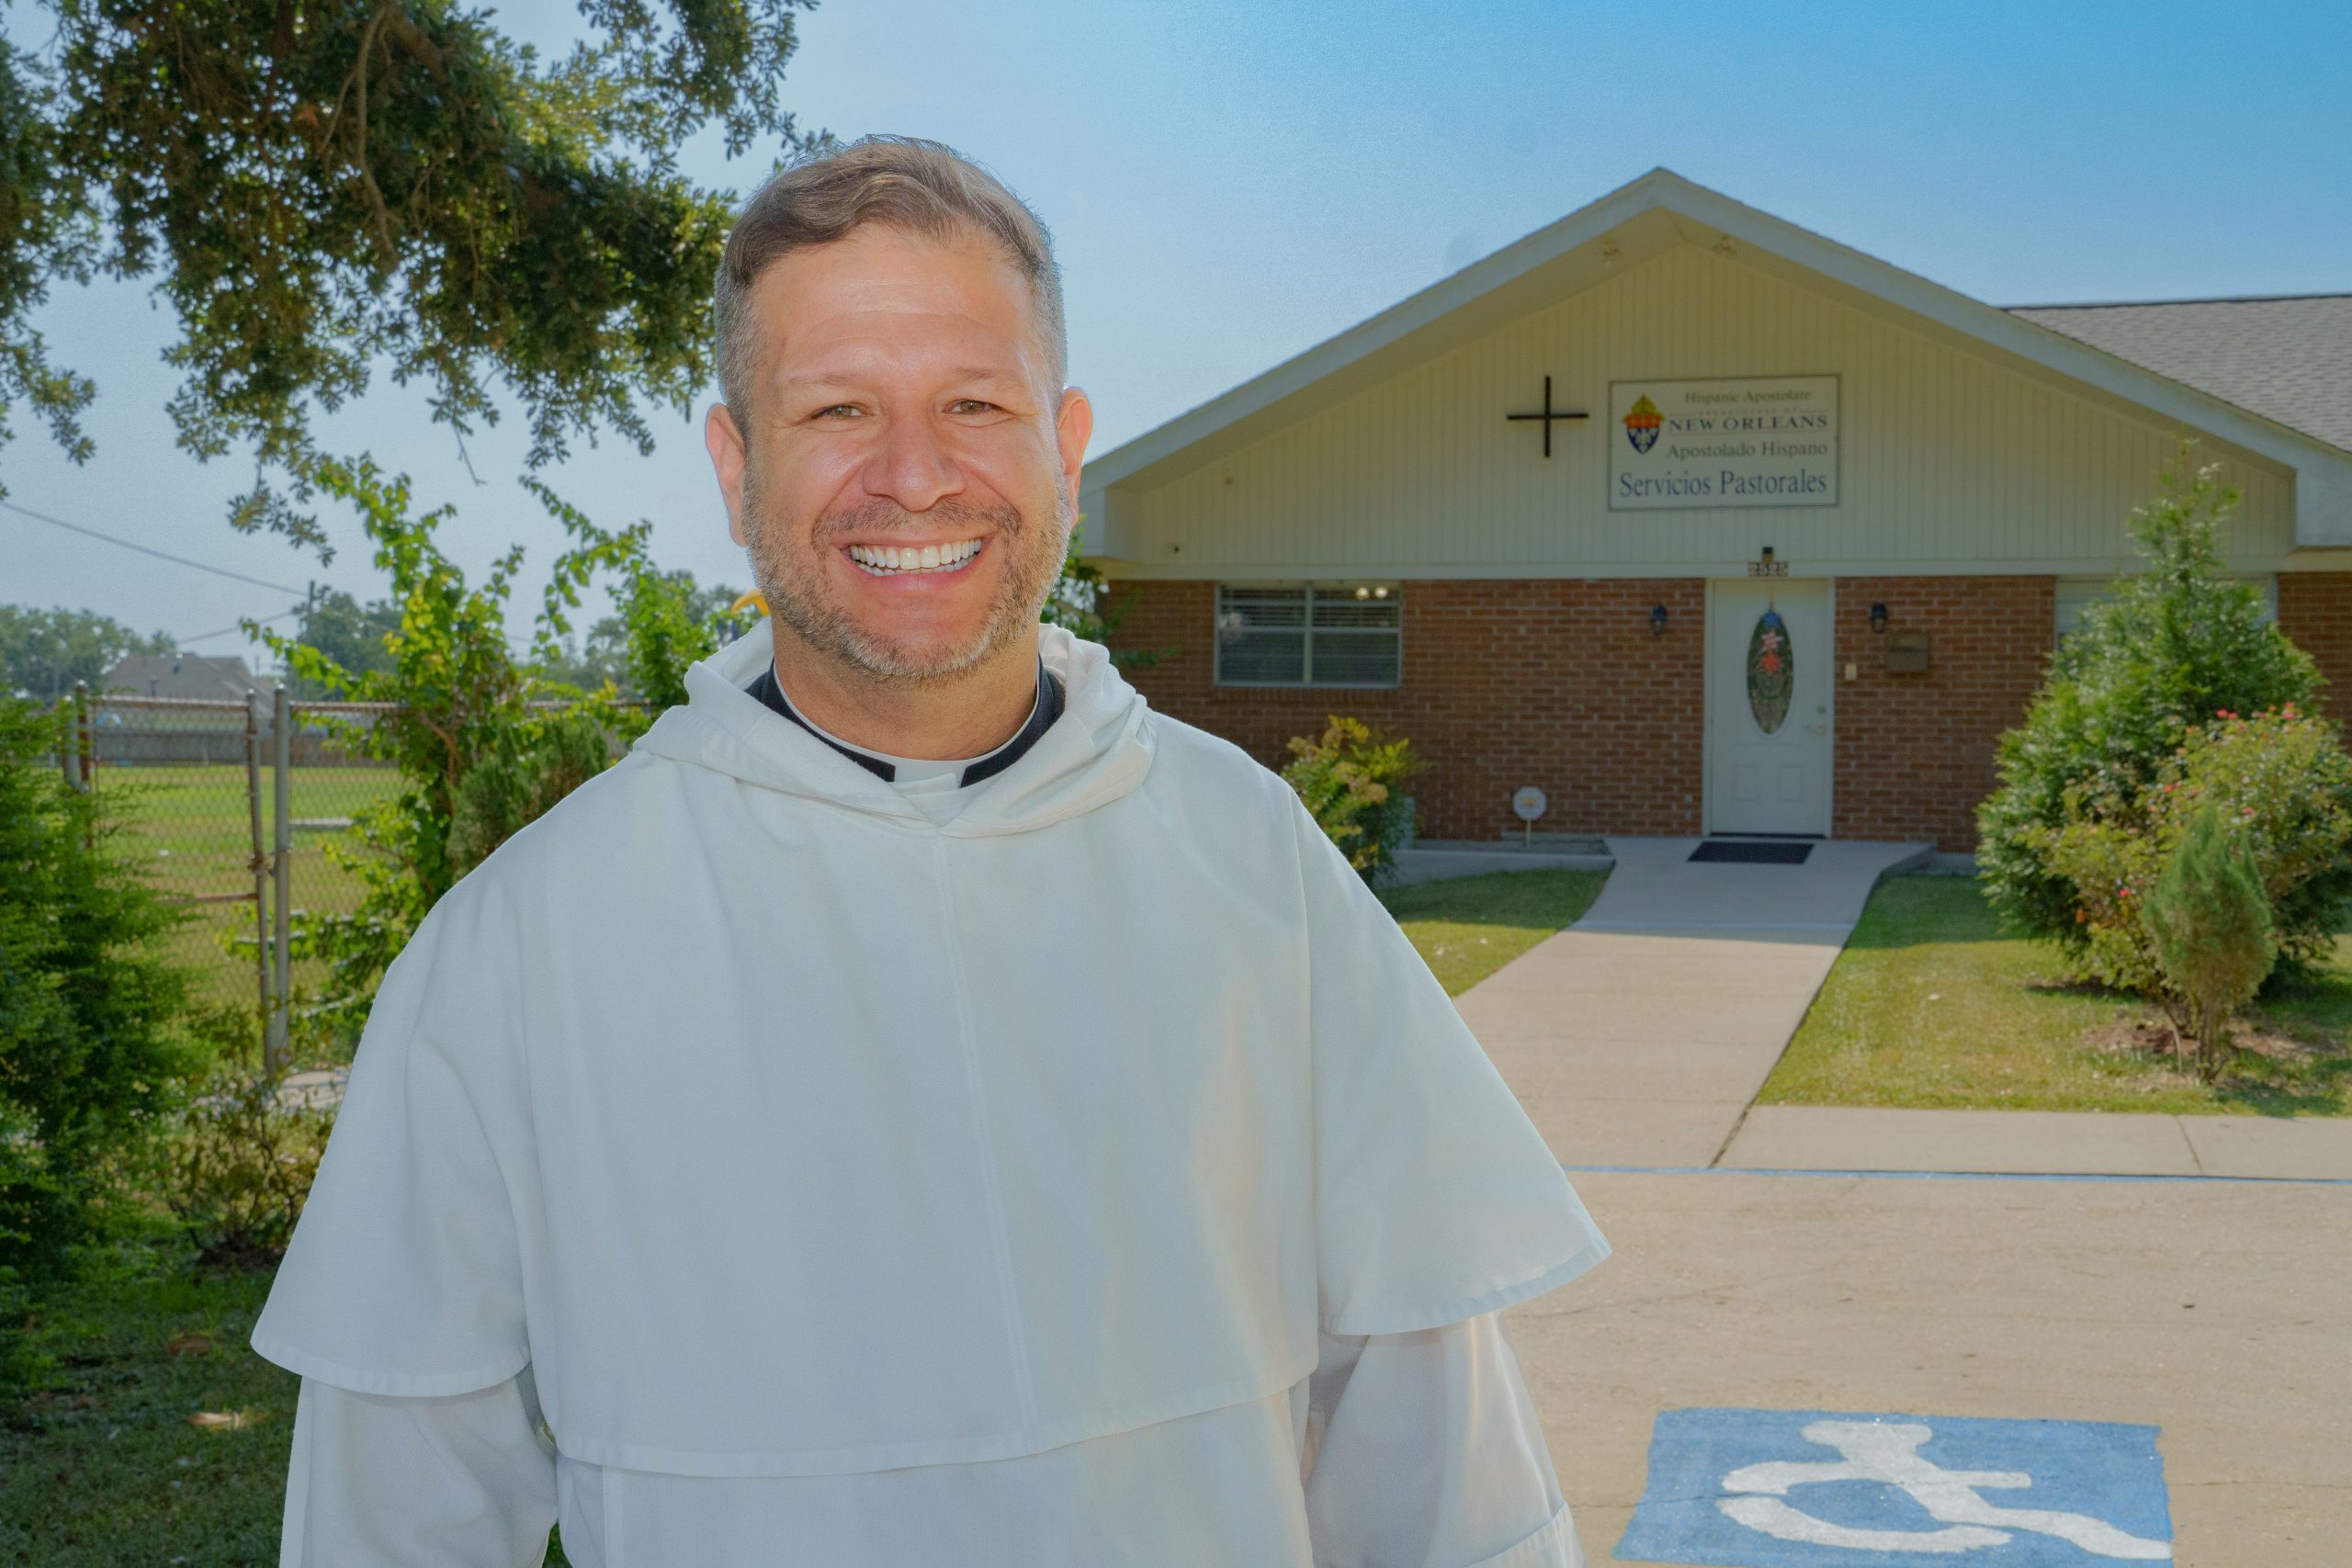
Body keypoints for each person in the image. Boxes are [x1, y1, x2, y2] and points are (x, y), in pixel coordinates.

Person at [250, 133, 1611, 1567]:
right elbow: (392, 1518)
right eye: (839, 409)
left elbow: (1449, 1479)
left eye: (974, 403)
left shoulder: (1255, 867)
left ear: (1065, 452)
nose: (913, 476)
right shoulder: (524, 947)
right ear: (736, 466)